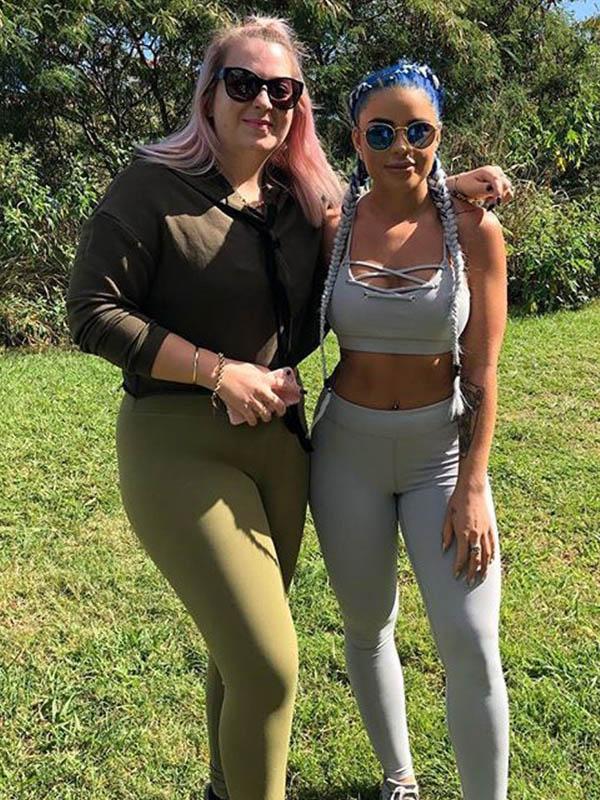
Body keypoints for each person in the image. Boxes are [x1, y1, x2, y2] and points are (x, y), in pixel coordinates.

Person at [67, 15, 512, 800]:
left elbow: (400, 207)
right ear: (208, 94)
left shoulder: (300, 200)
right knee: (274, 661)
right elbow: (92, 310)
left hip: (288, 446)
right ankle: (347, 783)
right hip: (205, 442)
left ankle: (224, 786)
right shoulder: (165, 188)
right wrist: (217, 372)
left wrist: (445, 186)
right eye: (243, 83)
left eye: (282, 89)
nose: (263, 100)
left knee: (246, 650)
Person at [310, 61, 509, 800]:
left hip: (441, 454)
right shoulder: (332, 226)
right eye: (382, 133)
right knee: (368, 625)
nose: (402, 147)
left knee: (472, 641)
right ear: (356, 140)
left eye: (418, 131)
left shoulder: (474, 231)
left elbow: (482, 371)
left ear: (439, 135)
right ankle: (400, 779)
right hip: (346, 453)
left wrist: (474, 484)